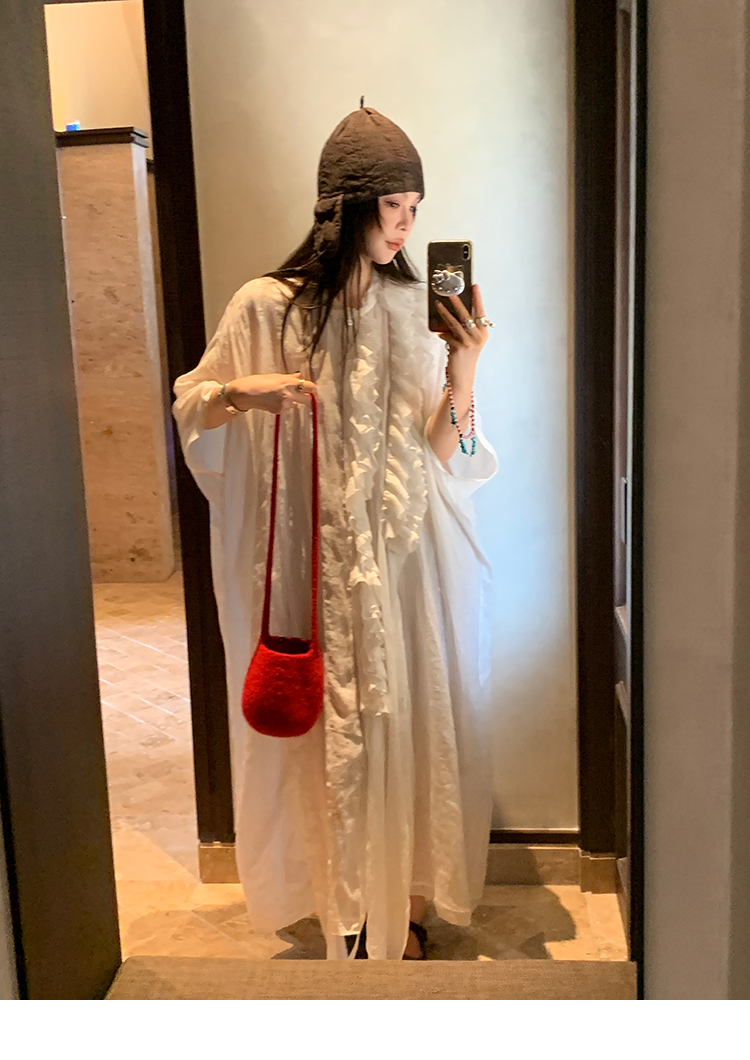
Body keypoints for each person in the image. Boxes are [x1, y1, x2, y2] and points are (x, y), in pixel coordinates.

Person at [172, 104, 498, 960]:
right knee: (324, 740)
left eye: (416, 209)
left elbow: (456, 451)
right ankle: (344, 913)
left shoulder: (414, 310)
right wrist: (242, 393)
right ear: (347, 206)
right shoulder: (265, 307)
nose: (406, 227)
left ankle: (401, 907)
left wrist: (465, 367)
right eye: (393, 206)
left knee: (406, 727)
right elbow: (192, 403)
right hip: (306, 565)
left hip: (403, 568)